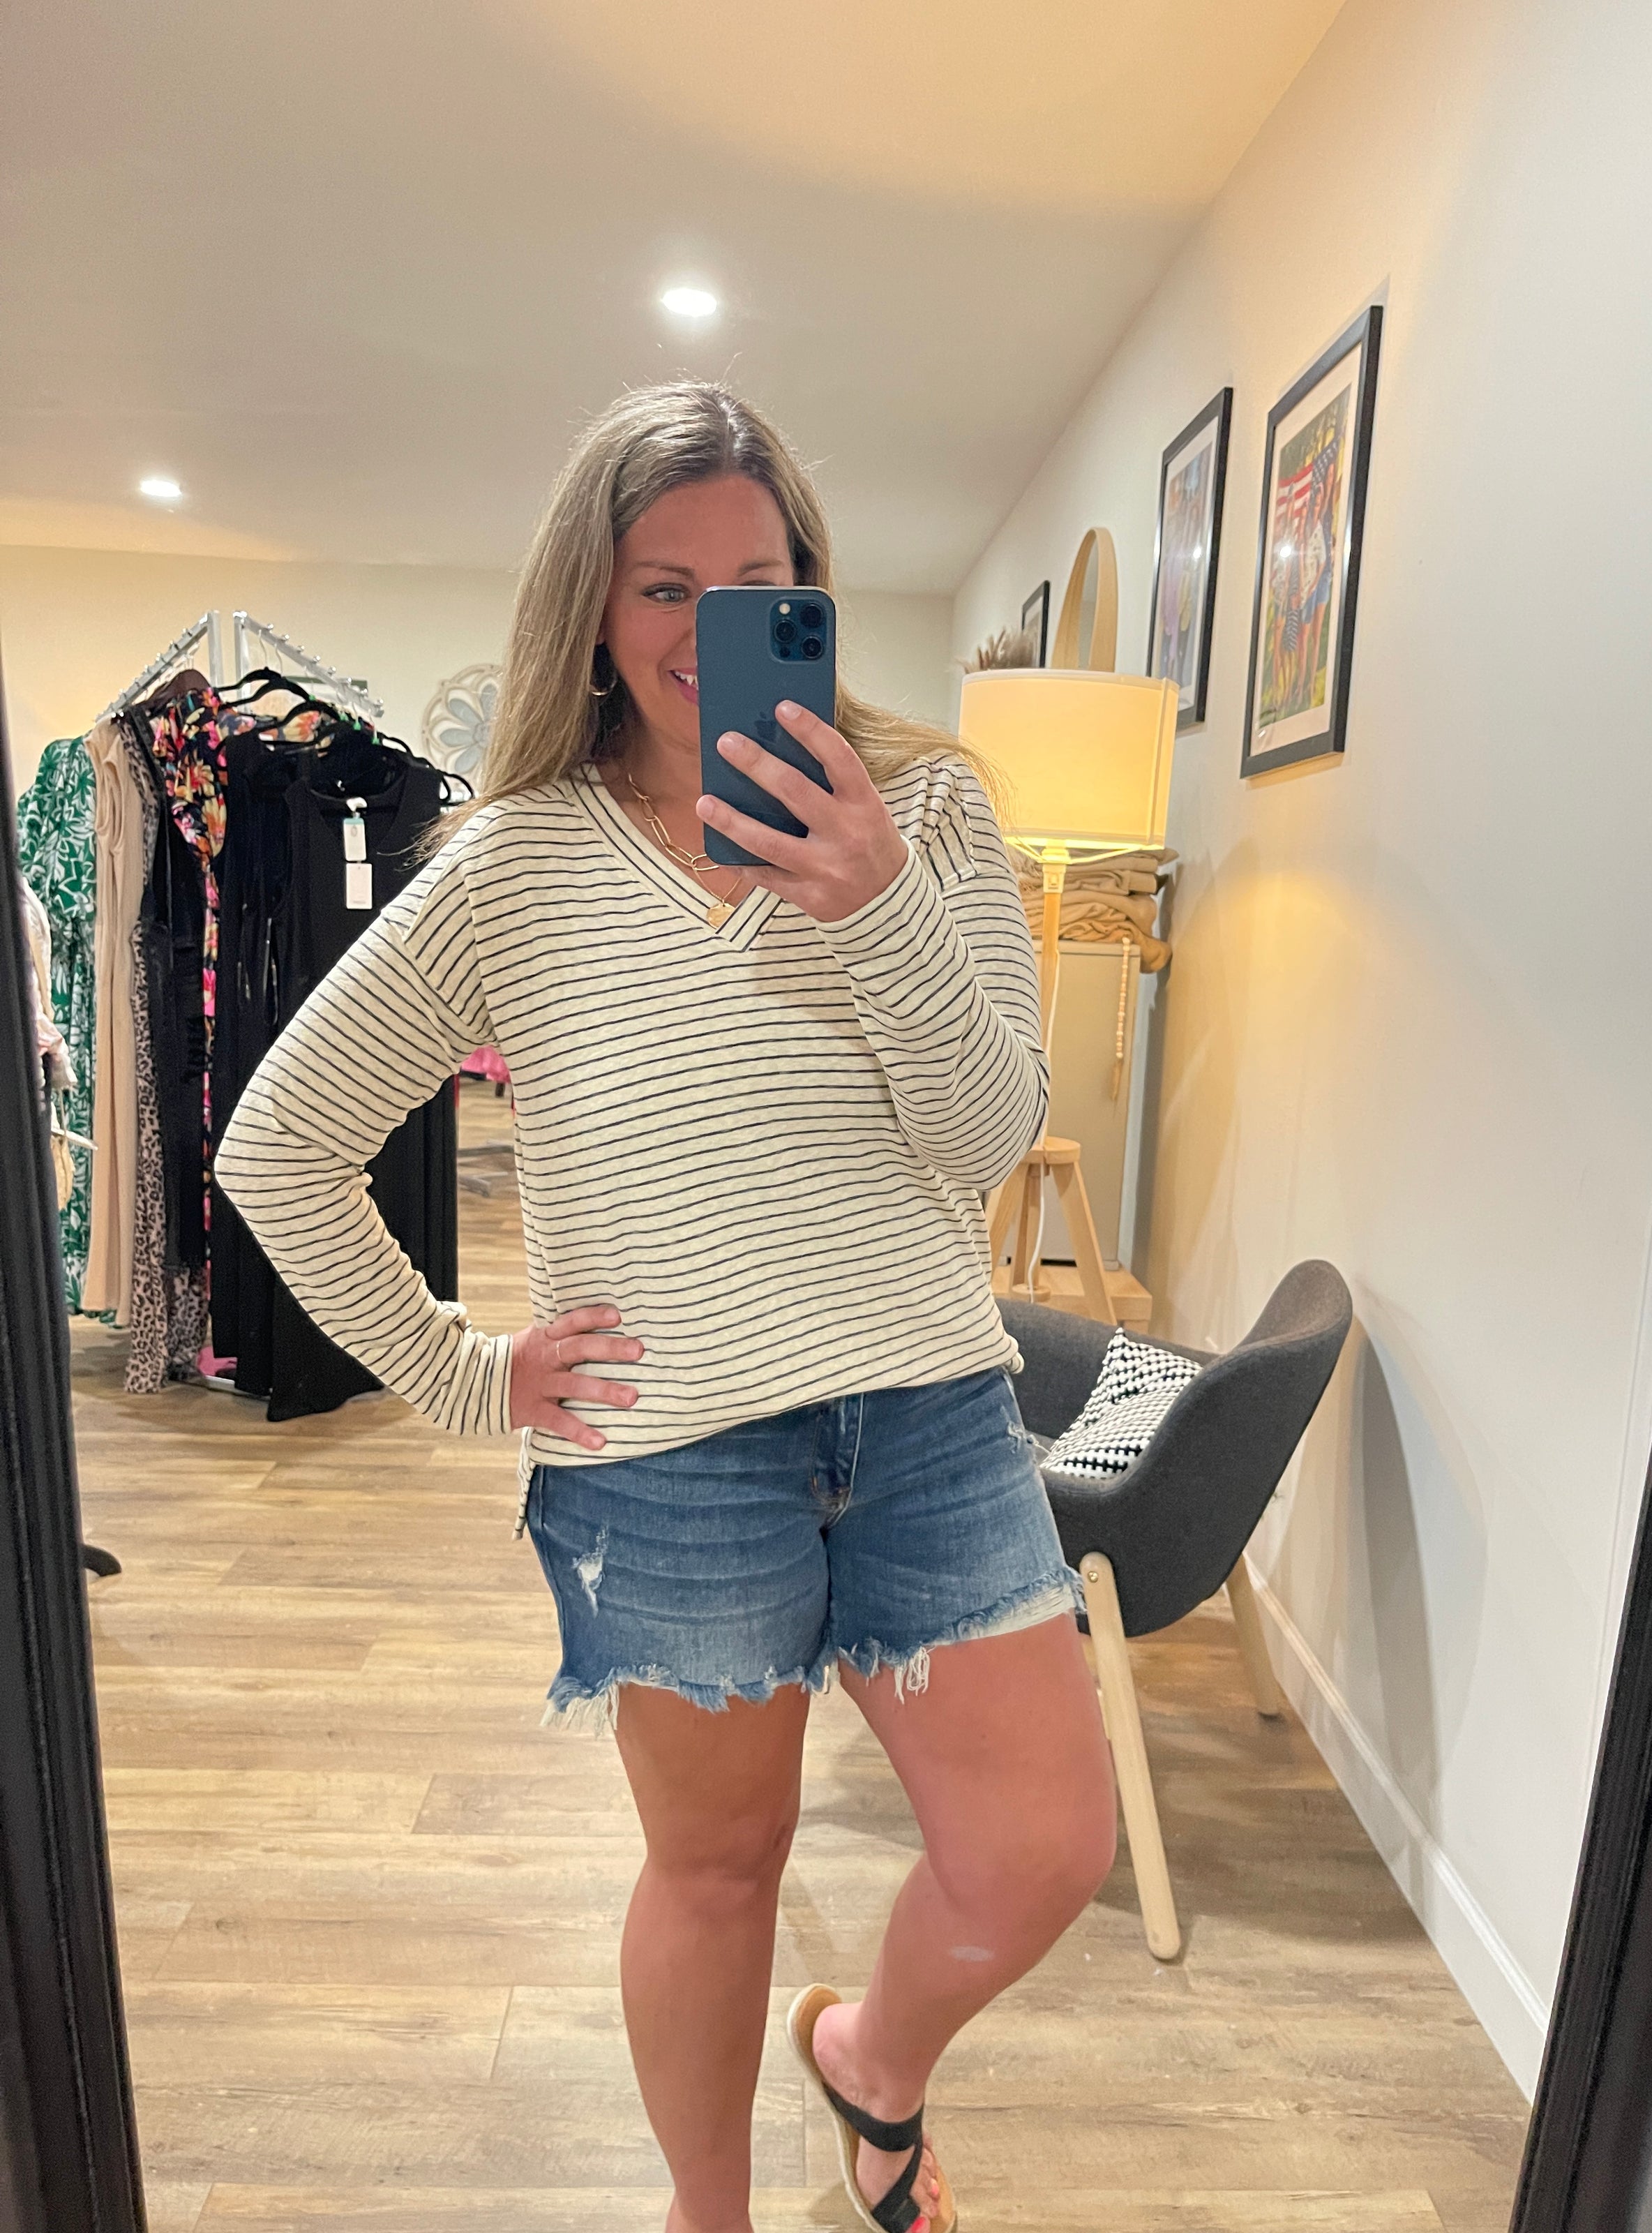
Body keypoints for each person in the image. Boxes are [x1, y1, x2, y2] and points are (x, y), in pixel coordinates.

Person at [217, 382, 1118, 2233]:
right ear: (594, 607)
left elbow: (983, 1141)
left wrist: (874, 903)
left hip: (931, 1420)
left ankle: (871, 2059)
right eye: (663, 586)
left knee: (1041, 1851)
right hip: (666, 1459)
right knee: (716, 1872)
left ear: (812, 593)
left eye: (757, 581)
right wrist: (465, 1378)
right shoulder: (513, 863)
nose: (711, 626)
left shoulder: (929, 811)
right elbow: (282, 1145)